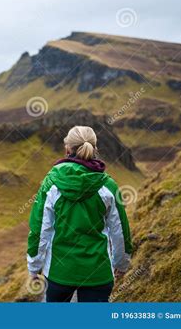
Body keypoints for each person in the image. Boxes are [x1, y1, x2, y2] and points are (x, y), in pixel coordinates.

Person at [26, 126, 132, 302]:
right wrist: (122, 264)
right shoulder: (108, 186)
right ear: (95, 149)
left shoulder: (51, 184)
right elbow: (120, 231)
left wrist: (34, 266)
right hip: (98, 273)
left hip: (59, 273)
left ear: (67, 149)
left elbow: (40, 228)